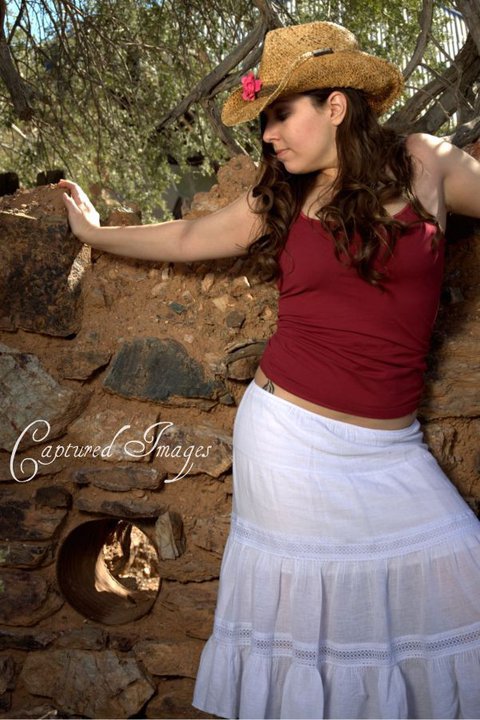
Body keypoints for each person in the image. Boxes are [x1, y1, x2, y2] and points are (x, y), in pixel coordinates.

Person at [60, 20, 480, 720]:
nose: (269, 136)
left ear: (335, 105)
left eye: (281, 114)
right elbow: (188, 235)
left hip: (393, 451)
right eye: (265, 122)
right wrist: (94, 231)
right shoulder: (283, 197)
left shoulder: (424, 161)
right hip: (289, 443)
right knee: (311, 641)